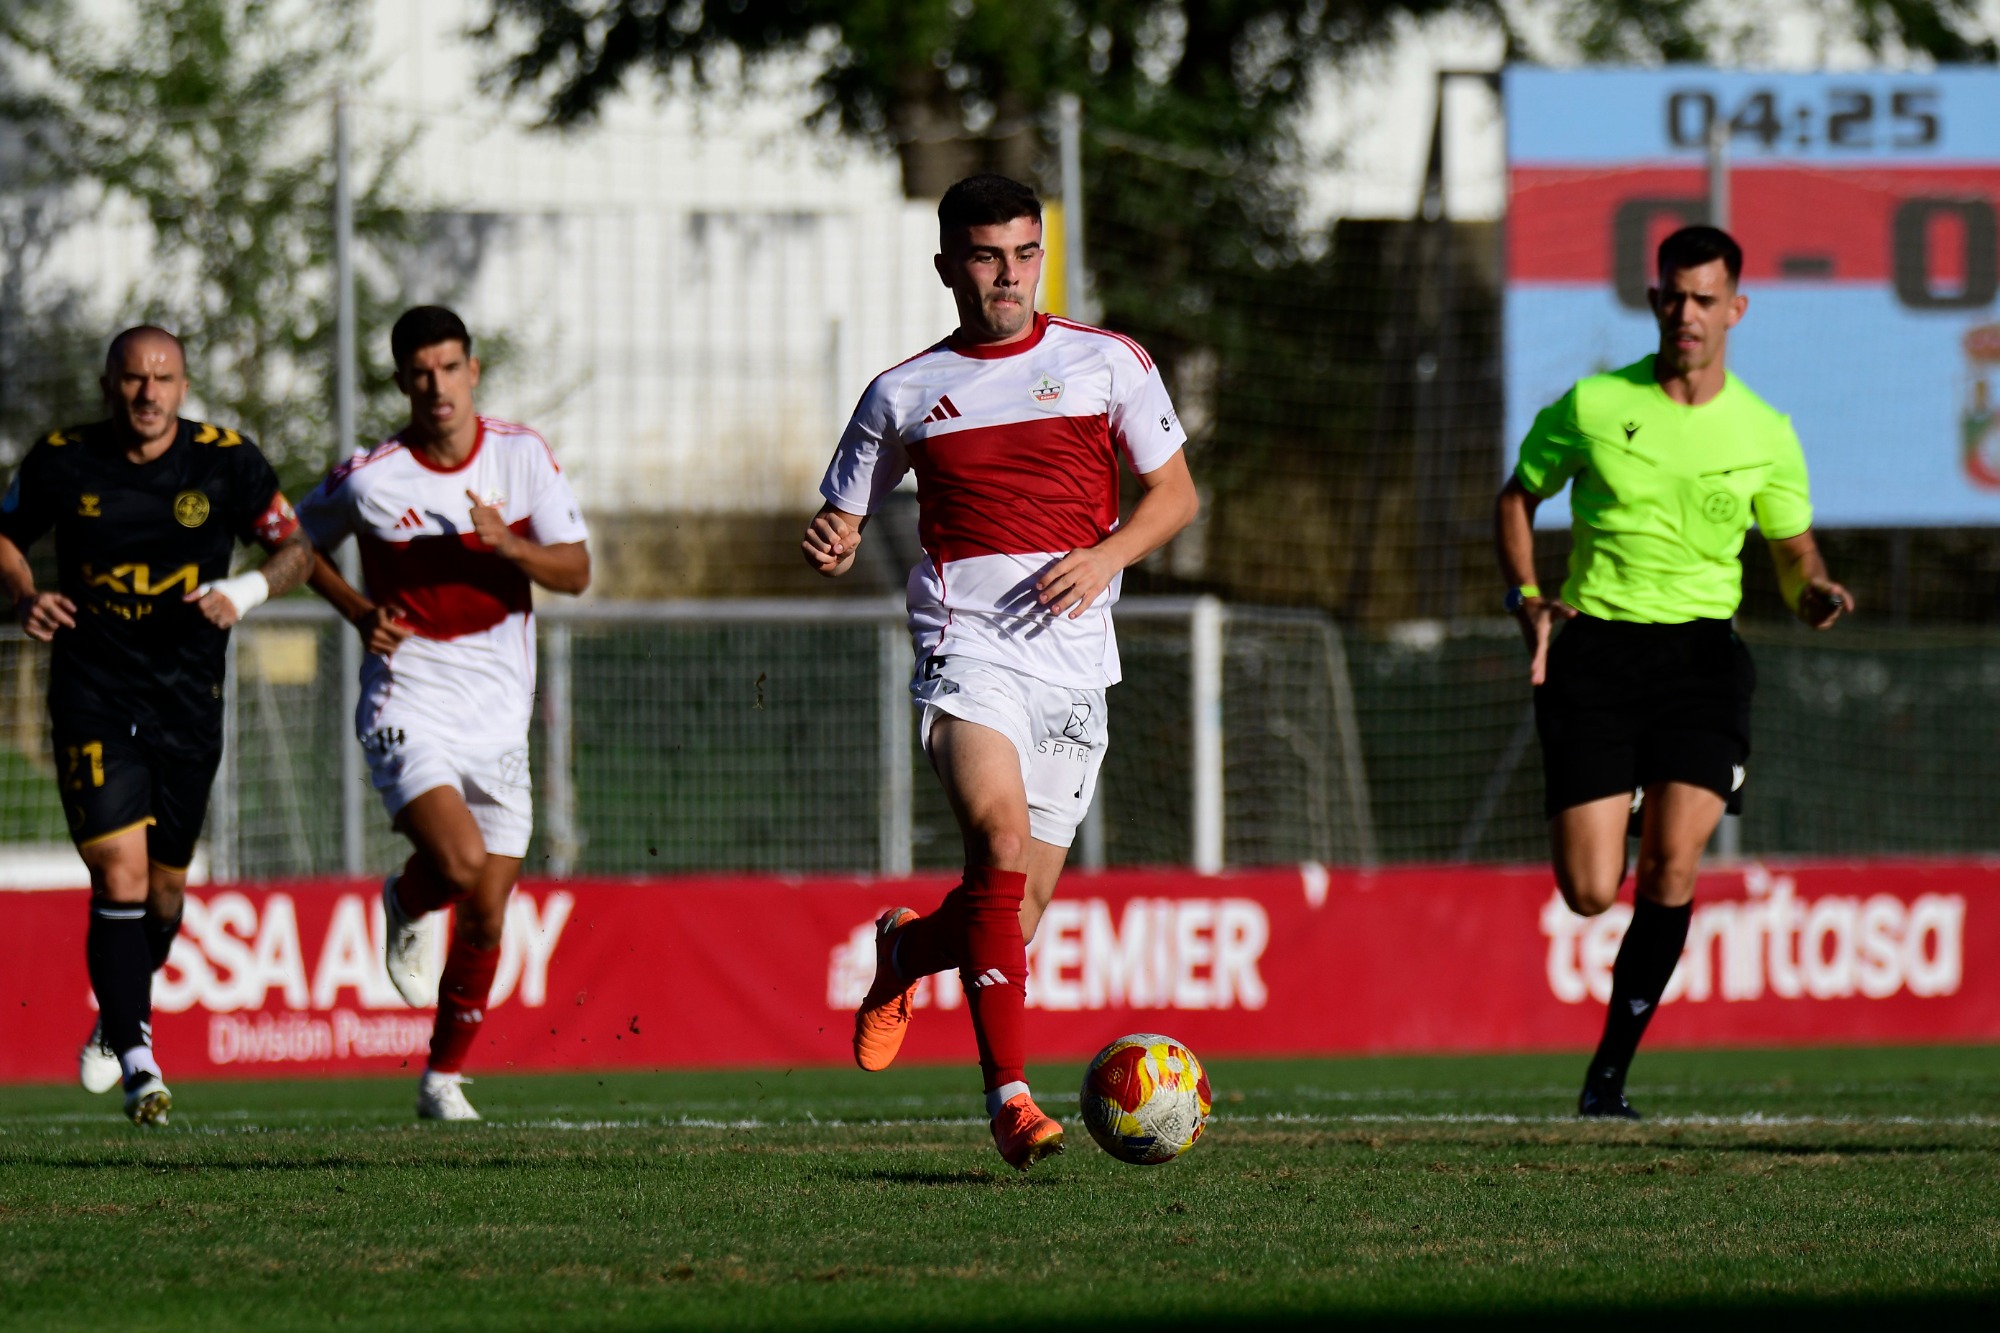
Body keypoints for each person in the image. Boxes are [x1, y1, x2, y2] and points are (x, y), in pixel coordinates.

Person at [804, 174, 1199, 1169]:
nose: (1009, 276)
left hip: (1074, 668)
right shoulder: (902, 392)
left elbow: (1174, 495)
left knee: (1010, 916)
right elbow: (843, 512)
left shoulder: (1107, 362)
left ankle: (905, 951)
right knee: (998, 838)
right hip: (965, 647)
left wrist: (1106, 557)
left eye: (1025, 254)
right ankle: (1010, 1100)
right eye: (987, 257)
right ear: (948, 266)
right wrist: (834, 537)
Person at [1496, 226, 1853, 1118]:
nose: (1687, 313)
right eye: (1674, 296)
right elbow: (1518, 496)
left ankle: (1607, 1080)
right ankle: (1633, 791)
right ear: (1655, 301)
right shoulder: (1592, 405)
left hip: (1701, 659)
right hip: (1596, 650)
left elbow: (1794, 552)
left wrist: (1812, 591)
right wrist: (1527, 597)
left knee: (1669, 867)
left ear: (1736, 309)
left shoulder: (1765, 431)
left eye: (1705, 299)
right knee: (1589, 892)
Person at [0, 326, 312, 1126]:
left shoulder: (226, 461)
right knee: (119, 875)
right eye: (134, 378)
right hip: (94, 693)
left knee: (166, 893)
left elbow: (295, 550)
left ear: (183, 385)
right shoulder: (63, 458)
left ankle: (118, 1017)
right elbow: (3, 534)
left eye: (163, 378)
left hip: (187, 701)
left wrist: (243, 592)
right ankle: (140, 1062)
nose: (149, 393)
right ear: (110, 385)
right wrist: (25, 594)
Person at [297, 306, 590, 1121]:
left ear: (473, 371)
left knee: (489, 910)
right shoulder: (371, 476)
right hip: (409, 693)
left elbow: (576, 572)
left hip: (499, 710)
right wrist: (357, 609)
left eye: (450, 367)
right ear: (402, 381)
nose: (437, 386)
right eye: (421, 373)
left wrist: (512, 547)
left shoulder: (521, 456)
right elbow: (289, 539)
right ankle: (406, 897)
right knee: (458, 866)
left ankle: (441, 1078)